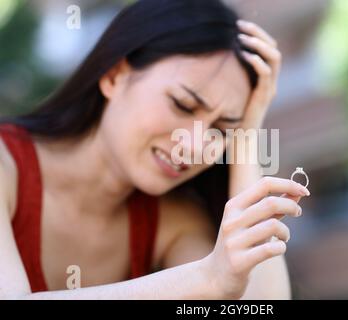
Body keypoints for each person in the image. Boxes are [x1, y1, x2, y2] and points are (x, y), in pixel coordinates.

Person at [0, 0, 309, 299]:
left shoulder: (171, 221)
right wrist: (206, 278)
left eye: (221, 129)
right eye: (182, 105)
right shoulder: (6, 164)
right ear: (114, 76)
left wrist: (246, 134)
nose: (195, 146)